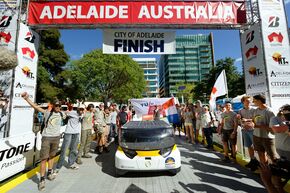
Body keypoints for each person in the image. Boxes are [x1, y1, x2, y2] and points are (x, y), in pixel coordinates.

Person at [21, 92, 66, 191]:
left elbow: (74, 112)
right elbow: (35, 107)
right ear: (53, 106)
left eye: (59, 106)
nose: (58, 107)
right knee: (44, 159)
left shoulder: (62, 114)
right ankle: (42, 180)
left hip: (56, 137)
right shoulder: (47, 113)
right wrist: (27, 99)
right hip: (47, 138)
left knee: (52, 156)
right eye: (56, 105)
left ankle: (49, 172)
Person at [260, 104, 290, 193]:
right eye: (284, 112)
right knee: (278, 170)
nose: (285, 114)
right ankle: (279, 187)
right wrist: (287, 127)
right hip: (281, 149)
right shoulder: (275, 119)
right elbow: (276, 129)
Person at [55, 104, 85, 172]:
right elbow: (64, 112)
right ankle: (58, 167)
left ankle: (71, 164)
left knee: (74, 149)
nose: (81, 111)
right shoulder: (72, 112)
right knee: (64, 150)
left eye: (83, 109)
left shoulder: (83, 114)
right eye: (80, 109)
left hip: (76, 133)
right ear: (77, 108)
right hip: (68, 133)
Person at [252, 94, 279, 164]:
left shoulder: (270, 111)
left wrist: (259, 126)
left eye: (254, 101)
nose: (253, 102)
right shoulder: (256, 111)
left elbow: (274, 128)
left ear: (259, 101)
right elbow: (254, 121)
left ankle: (277, 173)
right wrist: (249, 123)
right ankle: (265, 170)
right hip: (256, 136)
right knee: (261, 154)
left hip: (268, 138)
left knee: (273, 157)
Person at [237, 96, 259, 170]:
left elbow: (256, 119)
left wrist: (247, 120)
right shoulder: (240, 110)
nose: (249, 102)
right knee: (249, 146)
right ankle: (252, 161)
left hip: (253, 130)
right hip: (245, 130)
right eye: (247, 101)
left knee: (257, 147)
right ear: (243, 102)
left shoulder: (254, 109)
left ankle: (261, 163)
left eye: (249, 101)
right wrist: (239, 120)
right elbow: (239, 121)